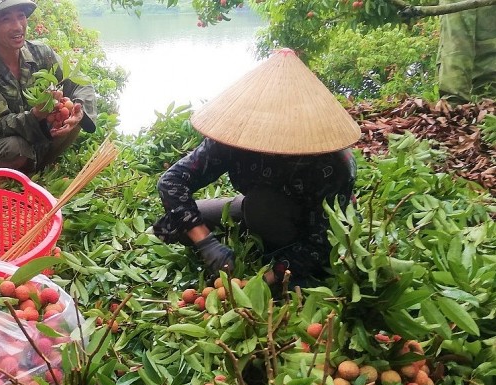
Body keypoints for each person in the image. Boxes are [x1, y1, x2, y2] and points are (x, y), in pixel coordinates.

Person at [153, 48, 361, 287]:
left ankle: (274, 248)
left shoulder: (332, 164)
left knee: (261, 208)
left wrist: (262, 283)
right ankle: (249, 233)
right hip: (252, 207)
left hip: (305, 224)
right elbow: (172, 181)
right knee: (182, 222)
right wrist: (206, 243)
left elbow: (322, 242)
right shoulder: (237, 134)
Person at [0, 0, 97, 174]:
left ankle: (42, 170)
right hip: (2, 144)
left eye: (21, 16)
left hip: (43, 140)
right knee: (14, 149)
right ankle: (6, 176)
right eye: (6, 19)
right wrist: (36, 115)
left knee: (75, 114)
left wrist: (78, 110)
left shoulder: (41, 53)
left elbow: (81, 82)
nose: (18, 26)